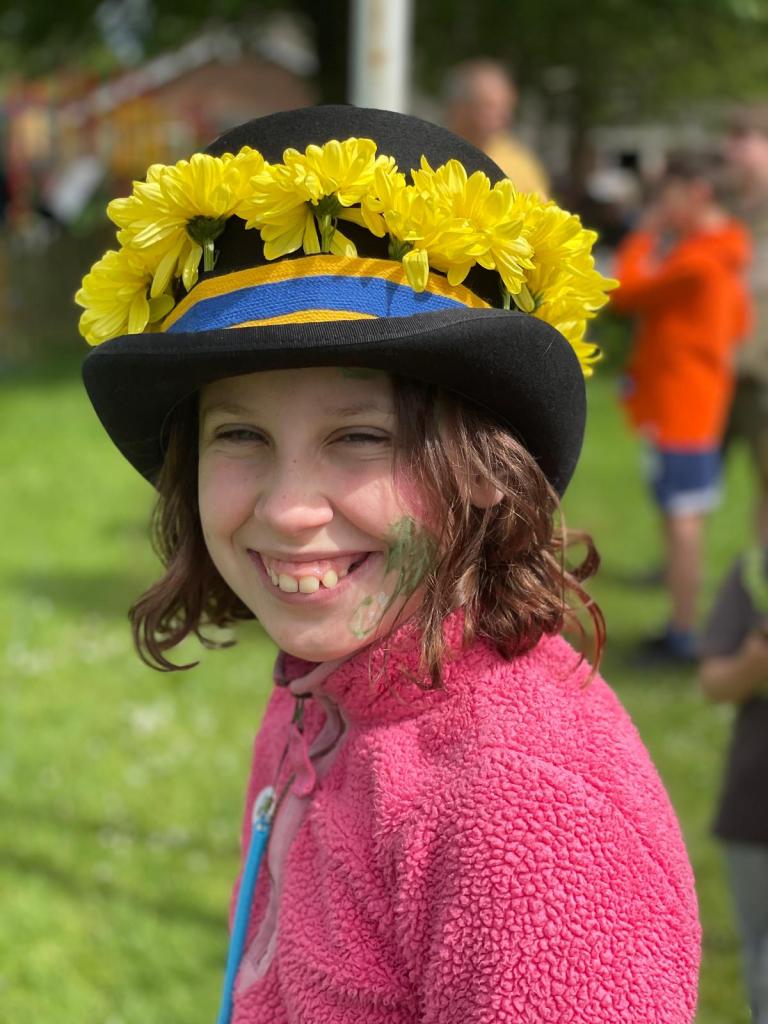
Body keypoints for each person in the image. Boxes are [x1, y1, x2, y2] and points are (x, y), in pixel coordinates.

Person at [77, 105, 700, 1022]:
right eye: (240, 435)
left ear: (487, 468)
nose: (288, 509)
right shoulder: (319, 688)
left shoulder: (525, 810)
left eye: (360, 437)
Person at [612, 155, 752, 665]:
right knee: (680, 515)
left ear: (697, 194)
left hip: (684, 408)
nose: (660, 207)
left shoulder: (699, 259)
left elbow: (625, 291)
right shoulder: (720, 253)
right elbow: (740, 324)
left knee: (683, 519)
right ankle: (682, 625)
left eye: (666, 197)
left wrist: (643, 234)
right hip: (691, 402)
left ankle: (685, 634)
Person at [699, 548, 768, 1023]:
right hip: (753, 810)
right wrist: (752, 665)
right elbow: (714, 682)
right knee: (759, 957)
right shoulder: (754, 574)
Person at [725, 108, 768, 542]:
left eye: (743, 140)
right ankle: (678, 565)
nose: (733, 151)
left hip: (762, 370)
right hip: (722, 364)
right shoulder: (732, 209)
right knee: (692, 477)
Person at [444, 58, 549, 198]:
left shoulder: (521, 166)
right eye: (489, 106)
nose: (504, 116)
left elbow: (540, 208)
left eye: (507, 107)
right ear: (459, 109)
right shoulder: (428, 151)